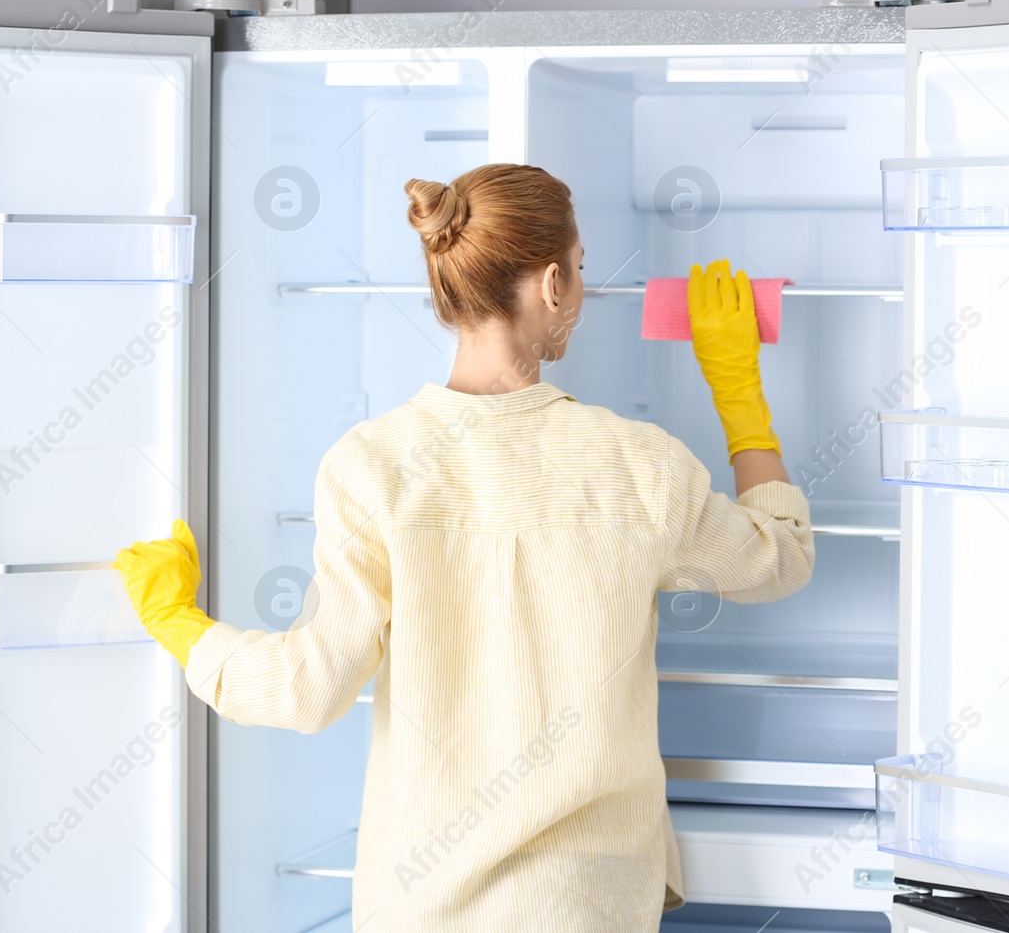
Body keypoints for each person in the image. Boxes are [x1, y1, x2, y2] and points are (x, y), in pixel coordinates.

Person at [116, 163, 814, 932]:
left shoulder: (371, 465)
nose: (579, 290)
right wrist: (737, 387)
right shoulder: (638, 462)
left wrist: (177, 621)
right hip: (585, 908)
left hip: (417, 905)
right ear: (552, 283)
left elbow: (309, 688)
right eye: (580, 271)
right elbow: (779, 557)